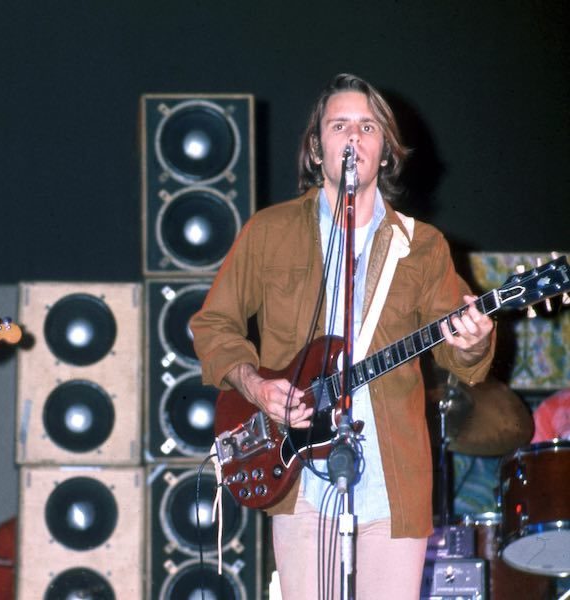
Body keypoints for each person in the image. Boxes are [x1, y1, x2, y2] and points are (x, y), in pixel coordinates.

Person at [190, 73, 495, 599]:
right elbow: (213, 325)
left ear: (385, 150)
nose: (353, 137)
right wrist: (257, 387)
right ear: (316, 148)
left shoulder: (422, 246)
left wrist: (472, 338)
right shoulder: (269, 232)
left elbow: (460, 354)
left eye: (368, 126)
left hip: (391, 480)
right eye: (339, 126)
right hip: (299, 474)